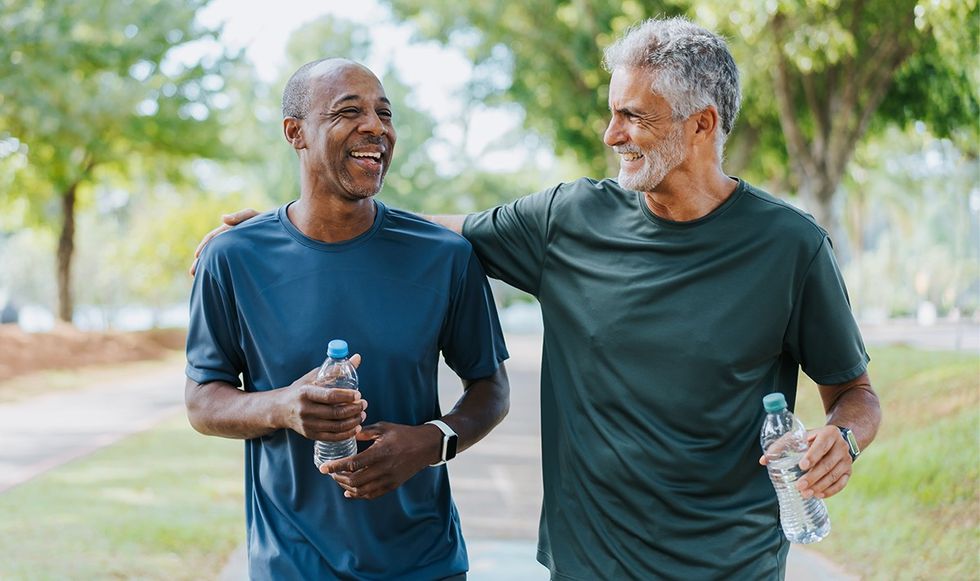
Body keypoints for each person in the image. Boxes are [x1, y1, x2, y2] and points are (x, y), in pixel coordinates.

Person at [194, 18, 882, 579]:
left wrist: (843, 438)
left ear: (702, 126)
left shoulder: (791, 246)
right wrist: (281, 222)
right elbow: (424, 232)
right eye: (612, 113)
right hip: (590, 565)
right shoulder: (569, 219)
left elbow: (855, 391)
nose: (611, 135)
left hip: (736, 565)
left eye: (632, 116)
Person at [185, 58, 510, 580]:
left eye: (384, 113)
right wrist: (284, 407)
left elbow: (491, 388)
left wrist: (431, 441)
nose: (376, 127)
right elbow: (203, 402)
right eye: (348, 112)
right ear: (297, 133)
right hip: (291, 564)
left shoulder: (445, 256)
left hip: (424, 563)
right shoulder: (234, 258)